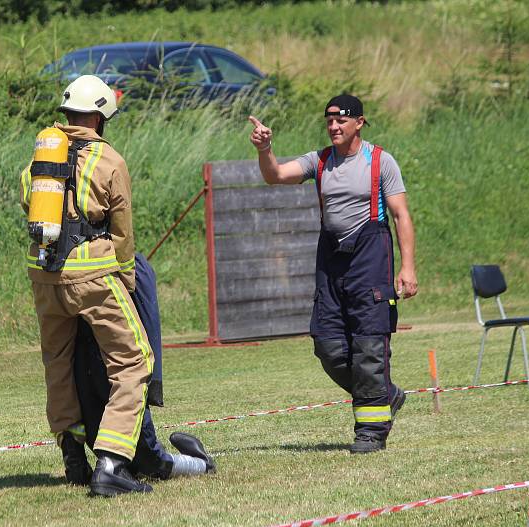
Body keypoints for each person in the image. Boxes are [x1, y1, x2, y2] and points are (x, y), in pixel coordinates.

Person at [248, 94, 417, 454]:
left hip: (371, 257)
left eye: (341, 120)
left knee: (369, 344)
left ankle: (371, 430)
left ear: (359, 122)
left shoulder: (380, 161)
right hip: (331, 259)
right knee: (328, 344)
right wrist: (266, 148)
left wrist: (407, 267)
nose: (334, 127)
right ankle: (386, 395)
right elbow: (275, 175)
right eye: (329, 121)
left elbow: (401, 215)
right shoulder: (319, 160)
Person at [20, 75, 153, 496]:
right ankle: (113, 462)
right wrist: (128, 279)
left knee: (58, 365)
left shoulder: (40, 159)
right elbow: (122, 232)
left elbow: (30, 202)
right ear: (99, 115)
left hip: (44, 277)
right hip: (92, 276)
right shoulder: (108, 160)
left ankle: (73, 457)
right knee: (134, 362)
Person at [71, 253, 215, 483]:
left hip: (90, 425)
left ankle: (76, 459)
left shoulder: (64, 282)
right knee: (150, 460)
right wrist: (153, 387)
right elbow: (143, 358)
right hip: (111, 420)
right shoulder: (127, 270)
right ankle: (199, 464)